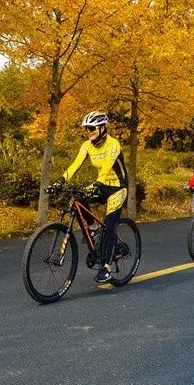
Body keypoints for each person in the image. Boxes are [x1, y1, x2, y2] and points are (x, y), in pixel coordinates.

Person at [48, 111, 127, 284]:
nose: (89, 131)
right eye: (87, 129)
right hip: (101, 184)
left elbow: (106, 168)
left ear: (102, 128)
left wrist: (96, 185)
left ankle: (106, 268)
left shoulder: (113, 144)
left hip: (117, 187)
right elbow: (75, 165)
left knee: (110, 224)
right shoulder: (86, 145)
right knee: (77, 198)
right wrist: (59, 182)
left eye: (92, 128)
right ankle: (93, 228)